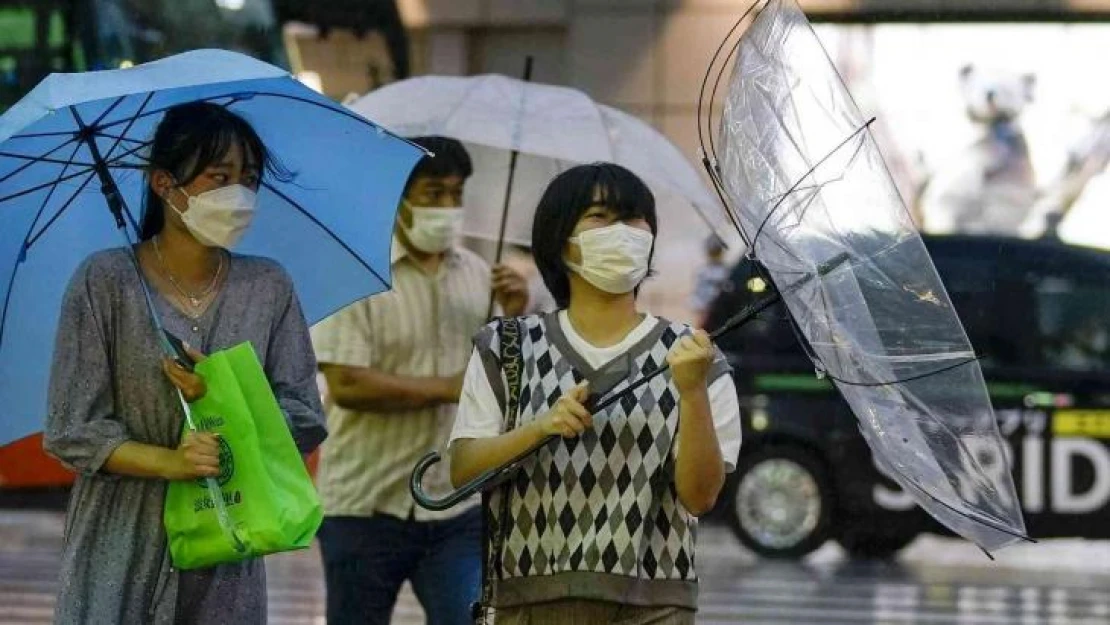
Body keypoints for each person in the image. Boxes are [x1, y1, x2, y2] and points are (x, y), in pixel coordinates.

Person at [43, 101, 327, 624]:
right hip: (120, 544)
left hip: (229, 539)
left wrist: (224, 400)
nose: (238, 195)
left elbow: (305, 415)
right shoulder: (104, 281)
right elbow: (71, 428)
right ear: (164, 184)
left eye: (250, 179)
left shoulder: (268, 287)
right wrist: (172, 462)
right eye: (219, 178)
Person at [449, 163, 742, 624]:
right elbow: (462, 471)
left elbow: (700, 497)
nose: (623, 233)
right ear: (561, 241)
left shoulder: (695, 357)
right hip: (528, 601)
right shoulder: (506, 348)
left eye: (634, 219)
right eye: (601, 218)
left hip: (655, 606)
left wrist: (692, 394)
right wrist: (540, 428)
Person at [310, 136, 529, 624]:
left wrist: (514, 318)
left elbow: (505, 384)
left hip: (454, 504)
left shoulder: (481, 275)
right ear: (399, 199)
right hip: (364, 505)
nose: (448, 207)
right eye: (433, 194)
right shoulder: (357, 276)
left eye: (456, 194)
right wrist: (447, 387)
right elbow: (347, 385)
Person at [689, 234, 730, 327]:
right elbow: (698, 300)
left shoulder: (727, 272)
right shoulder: (702, 273)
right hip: (708, 316)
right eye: (713, 252)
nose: (715, 255)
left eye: (717, 251)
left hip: (725, 314)